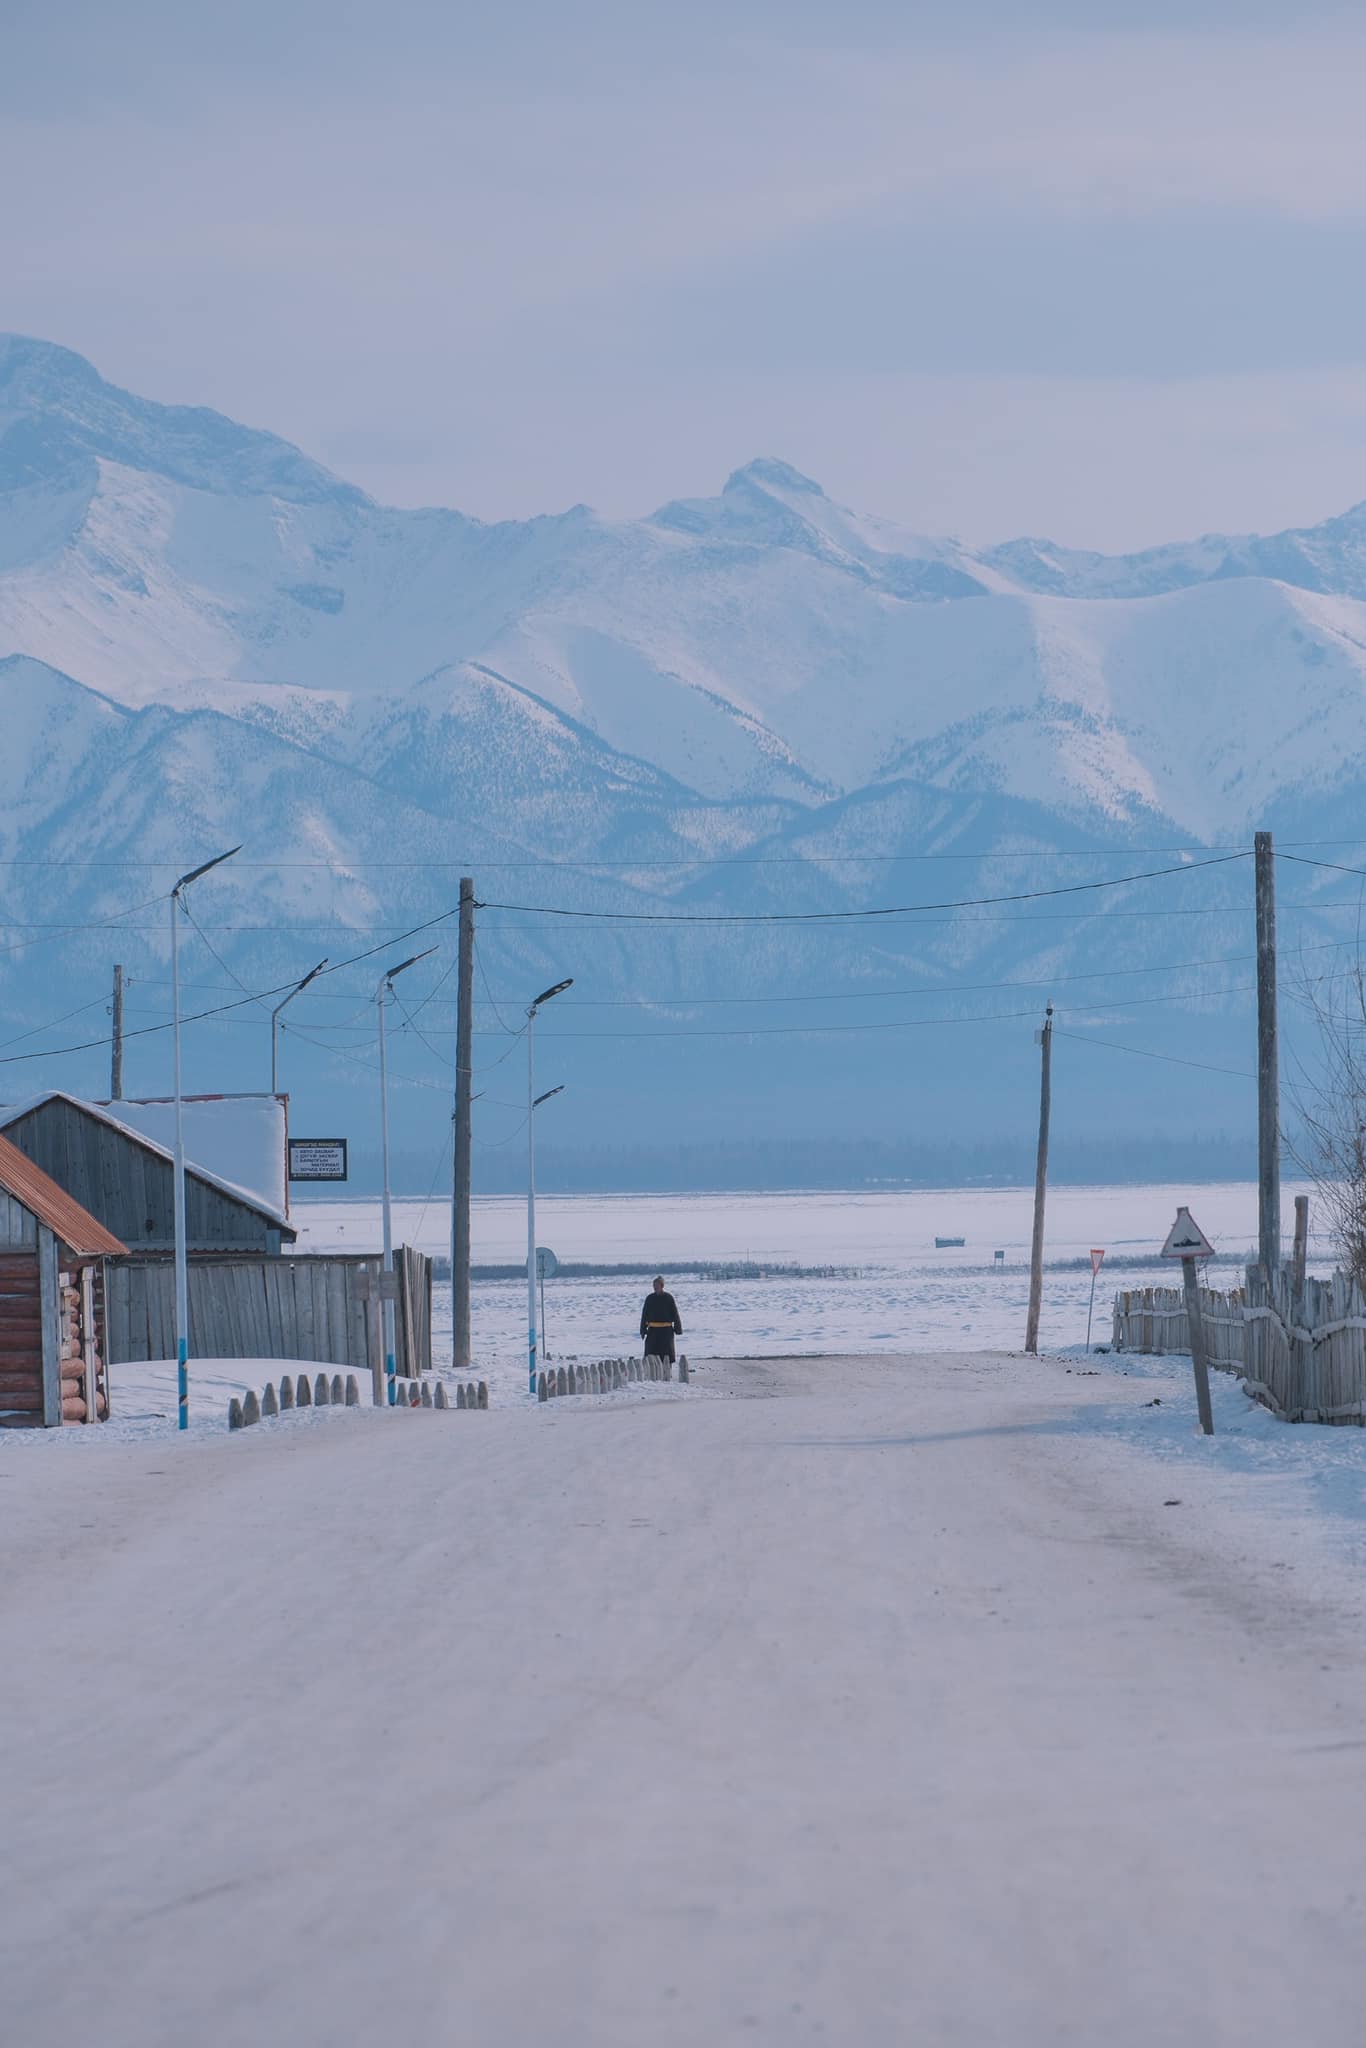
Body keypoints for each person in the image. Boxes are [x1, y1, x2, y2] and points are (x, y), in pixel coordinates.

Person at [640, 1275, 682, 1365]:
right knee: (651, 1354)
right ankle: (653, 1376)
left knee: (666, 1355)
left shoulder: (668, 1298)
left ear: (662, 1286)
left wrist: (678, 1328)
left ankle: (666, 1373)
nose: (655, 1288)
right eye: (654, 1286)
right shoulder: (650, 1298)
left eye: (657, 1285)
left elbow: (675, 1314)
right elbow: (644, 1315)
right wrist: (643, 1329)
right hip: (653, 1331)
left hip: (666, 1331)